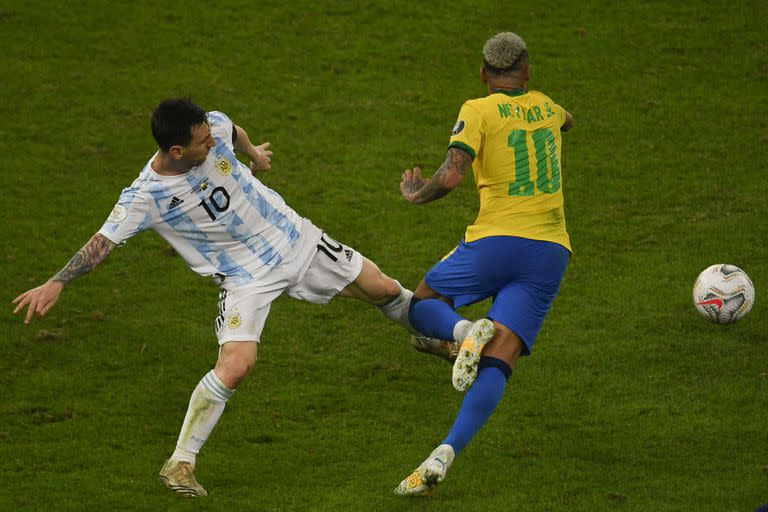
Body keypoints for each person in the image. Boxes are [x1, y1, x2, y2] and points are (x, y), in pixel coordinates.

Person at [12, 97, 417, 498]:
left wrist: (255, 153)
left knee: (381, 287)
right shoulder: (144, 197)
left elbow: (233, 129)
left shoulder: (213, 130)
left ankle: (435, 337)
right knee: (237, 365)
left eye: (209, 136)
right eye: (203, 143)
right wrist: (57, 282)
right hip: (244, 278)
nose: (212, 145)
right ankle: (180, 463)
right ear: (176, 151)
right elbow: (101, 244)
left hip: (292, 237)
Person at [394, 32, 575, 496]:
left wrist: (417, 194)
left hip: (497, 239)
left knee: (422, 305)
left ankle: (461, 334)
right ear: (528, 72)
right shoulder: (550, 107)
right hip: (551, 250)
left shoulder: (478, 108)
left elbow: (452, 174)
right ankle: (443, 455)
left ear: (483, 75)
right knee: (501, 359)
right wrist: (545, 117)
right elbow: (567, 120)